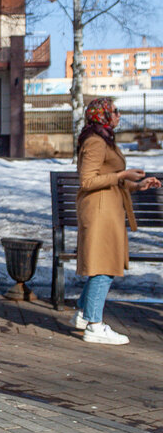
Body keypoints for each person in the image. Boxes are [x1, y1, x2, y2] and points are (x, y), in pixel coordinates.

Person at [73, 98, 160, 344]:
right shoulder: (95, 142)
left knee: (105, 264)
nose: (119, 115)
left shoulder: (104, 139)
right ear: (102, 115)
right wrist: (122, 174)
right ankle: (94, 325)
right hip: (99, 212)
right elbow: (87, 181)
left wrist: (137, 185)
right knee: (104, 267)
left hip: (107, 209)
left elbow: (108, 178)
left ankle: (82, 313)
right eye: (114, 111)